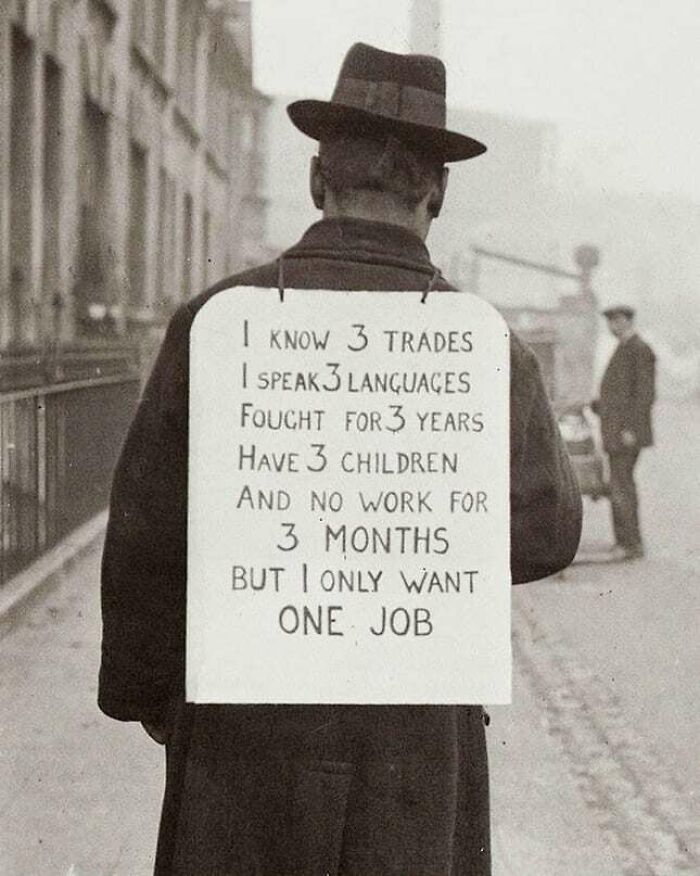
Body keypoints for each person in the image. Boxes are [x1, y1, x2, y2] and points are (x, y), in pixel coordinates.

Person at [99, 43, 582, 875]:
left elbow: (147, 531)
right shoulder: (484, 347)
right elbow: (547, 535)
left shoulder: (218, 322)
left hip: (242, 724)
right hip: (415, 735)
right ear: (436, 191)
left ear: (318, 181)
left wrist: (153, 697)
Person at [592, 305, 656, 560]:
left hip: (625, 434)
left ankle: (630, 544)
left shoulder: (639, 350)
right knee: (619, 485)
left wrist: (631, 429)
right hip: (616, 431)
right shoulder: (624, 348)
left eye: (616, 320)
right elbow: (617, 392)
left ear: (628, 321)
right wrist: (597, 405)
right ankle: (625, 541)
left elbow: (644, 396)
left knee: (622, 486)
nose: (612, 325)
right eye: (609, 321)